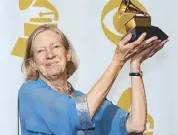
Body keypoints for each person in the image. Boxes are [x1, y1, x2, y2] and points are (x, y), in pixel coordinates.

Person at [18, 24, 168, 135]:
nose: (50, 55)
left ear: (68, 54)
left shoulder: (85, 100)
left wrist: (135, 65)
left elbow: (136, 125)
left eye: (56, 46)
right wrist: (117, 61)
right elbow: (80, 115)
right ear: (33, 63)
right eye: (40, 51)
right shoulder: (31, 92)